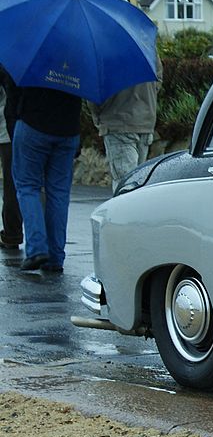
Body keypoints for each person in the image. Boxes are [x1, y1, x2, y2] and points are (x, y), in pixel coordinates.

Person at [11, 85, 83, 273]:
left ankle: (36, 249)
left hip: (33, 122)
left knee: (28, 187)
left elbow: (13, 87)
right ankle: (56, 257)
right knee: (59, 193)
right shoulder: (80, 59)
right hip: (68, 128)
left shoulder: (33, 56)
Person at [91, 55, 161, 193]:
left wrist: (98, 117)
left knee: (124, 186)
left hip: (117, 123)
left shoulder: (106, 49)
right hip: (145, 121)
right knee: (138, 185)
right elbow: (158, 79)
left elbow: (95, 89)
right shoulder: (146, 44)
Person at [0, 66, 22, 251]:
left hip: (7, 130)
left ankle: (12, 234)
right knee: (12, 183)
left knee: (11, 184)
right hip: (13, 130)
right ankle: (12, 234)